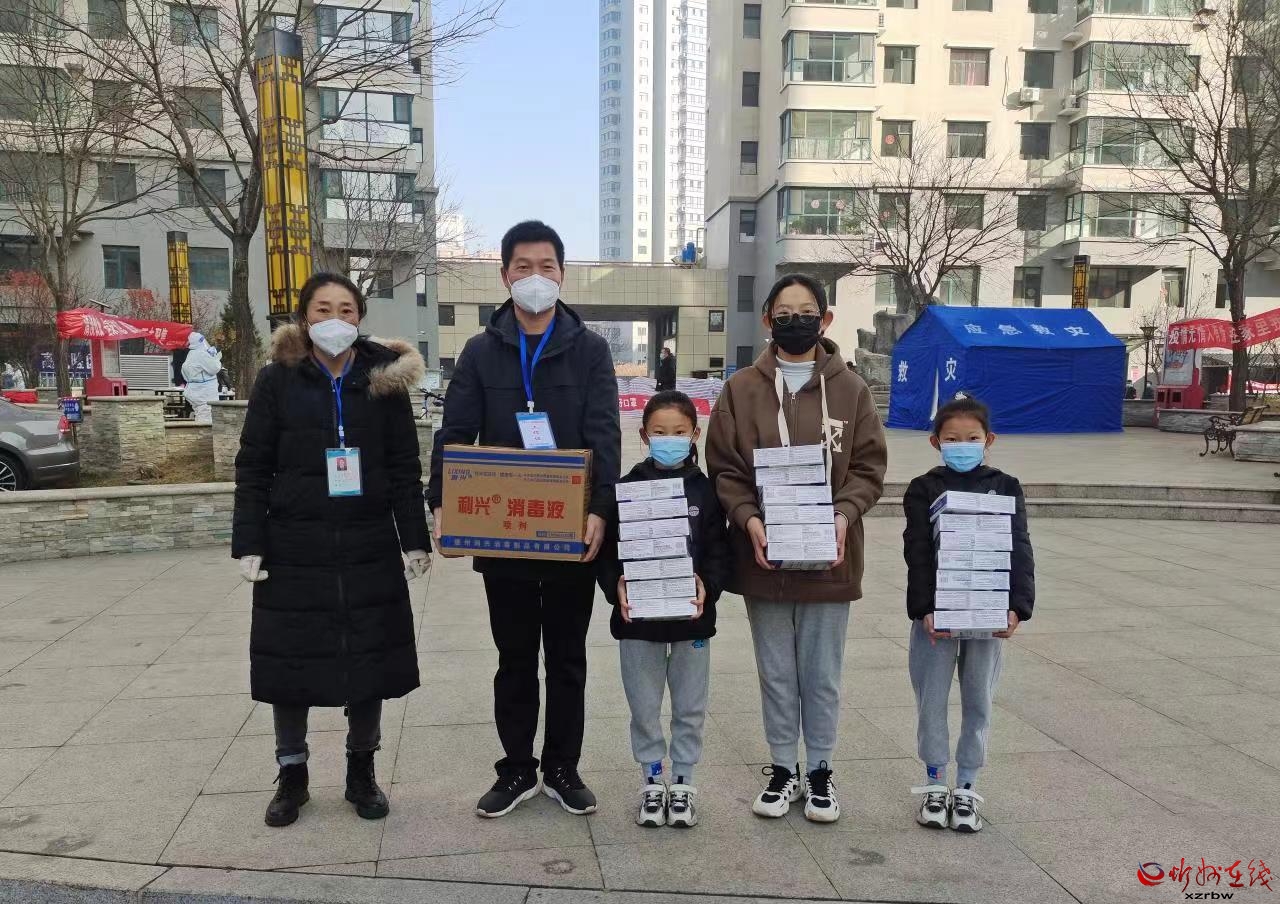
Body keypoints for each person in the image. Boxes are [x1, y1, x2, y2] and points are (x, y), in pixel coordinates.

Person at [427, 220, 621, 819]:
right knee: (513, 659)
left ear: (562, 274)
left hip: (568, 532)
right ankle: (516, 768)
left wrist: (599, 508)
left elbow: (605, 435)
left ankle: (562, 767)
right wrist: (441, 503)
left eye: (547, 267)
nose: (535, 277)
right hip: (505, 532)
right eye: (523, 267)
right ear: (505, 275)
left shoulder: (590, 350)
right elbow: (455, 431)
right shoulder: (481, 351)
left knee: (567, 659)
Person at [232, 272, 431, 829]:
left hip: (368, 541)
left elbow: (403, 467)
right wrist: (249, 542)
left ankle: (361, 771)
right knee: (290, 661)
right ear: (304, 316)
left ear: (360, 317)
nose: (335, 319)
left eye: (346, 309)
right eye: (323, 309)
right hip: (294, 542)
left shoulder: (384, 381)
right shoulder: (277, 379)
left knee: (368, 660)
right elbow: (253, 466)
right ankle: (292, 774)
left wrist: (414, 540)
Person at [705, 274, 887, 824]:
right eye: (784, 313)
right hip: (764, 556)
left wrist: (843, 514)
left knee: (822, 674)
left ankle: (821, 771)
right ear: (768, 320)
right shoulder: (740, 390)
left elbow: (869, 468)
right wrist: (748, 519)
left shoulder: (851, 390)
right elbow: (725, 469)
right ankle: (784, 768)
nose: (795, 321)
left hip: (831, 556)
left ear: (825, 319)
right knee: (776, 672)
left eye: (806, 312)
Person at [596, 390, 729, 829]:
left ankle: (684, 783)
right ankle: (652, 781)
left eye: (678, 432)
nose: (668, 440)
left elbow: (719, 551)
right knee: (644, 708)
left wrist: (708, 586)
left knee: (690, 708)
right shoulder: (625, 488)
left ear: (695, 434)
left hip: (692, 619)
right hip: (638, 622)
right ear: (643, 435)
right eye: (659, 432)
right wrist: (615, 585)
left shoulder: (707, 491)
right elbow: (607, 553)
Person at [902, 396, 1034, 834]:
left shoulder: (1006, 486)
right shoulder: (923, 488)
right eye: (953, 439)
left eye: (971, 438)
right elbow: (917, 551)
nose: (962, 446)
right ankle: (935, 782)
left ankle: (967, 786)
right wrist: (924, 608)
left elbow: (1019, 547)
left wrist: (1017, 606)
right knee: (931, 698)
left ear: (988, 440)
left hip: (987, 613)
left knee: (979, 699)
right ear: (936, 441)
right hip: (936, 617)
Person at [181, 332, 222, 424]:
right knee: (206, 417)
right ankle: (203, 433)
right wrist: (216, 357)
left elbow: (185, 374)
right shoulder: (201, 354)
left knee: (200, 413)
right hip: (204, 393)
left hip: (194, 391)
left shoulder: (191, 354)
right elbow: (214, 368)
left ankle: (199, 430)